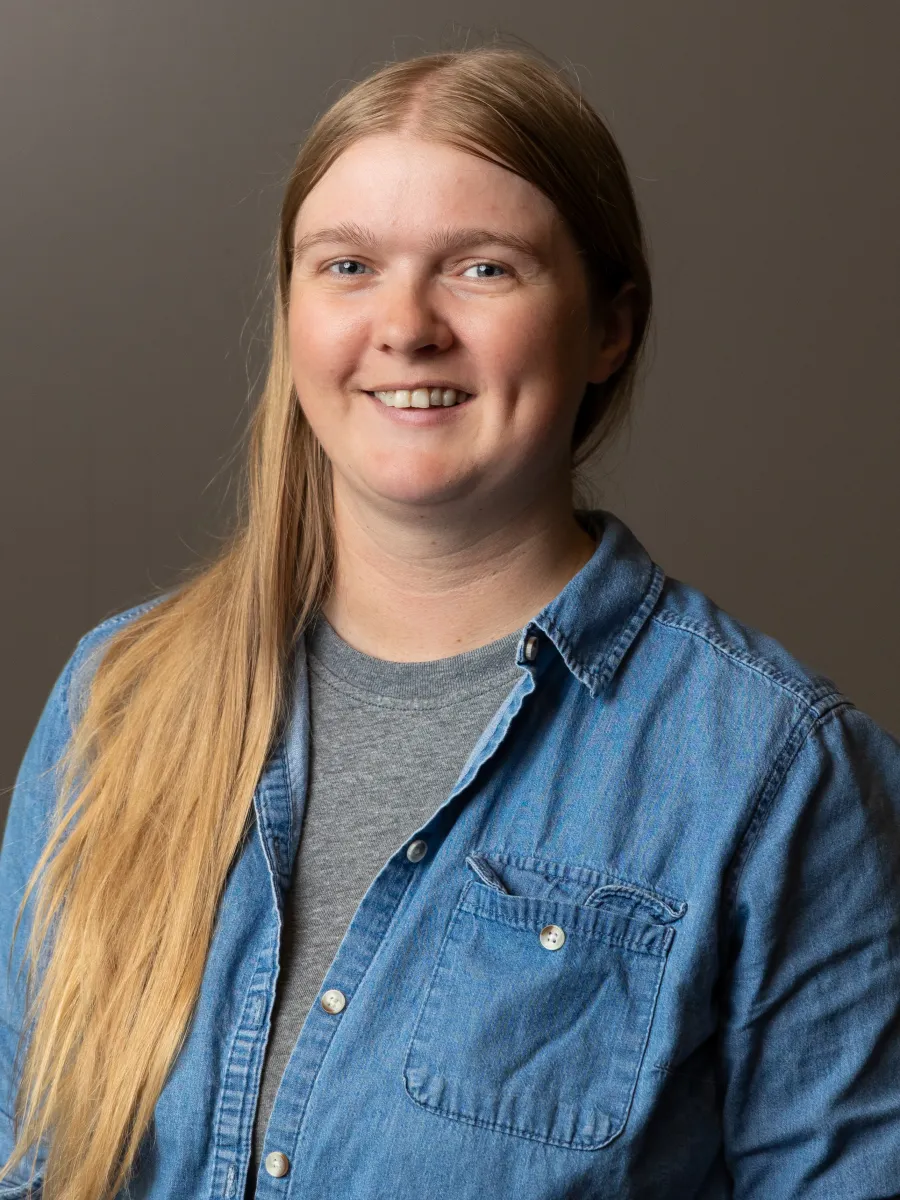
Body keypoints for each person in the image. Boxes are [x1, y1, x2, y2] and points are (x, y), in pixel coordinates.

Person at [1, 43, 899, 1200]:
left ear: (610, 327)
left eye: (481, 268)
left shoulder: (781, 776)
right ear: (290, 310)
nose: (406, 325)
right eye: (348, 266)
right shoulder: (113, 700)